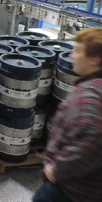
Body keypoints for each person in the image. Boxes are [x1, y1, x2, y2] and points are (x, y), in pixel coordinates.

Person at [33, 28, 102, 202]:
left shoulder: (89, 95)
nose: (71, 55)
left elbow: (93, 138)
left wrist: (56, 170)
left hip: (69, 190)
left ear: (95, 59)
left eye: (78, 51)